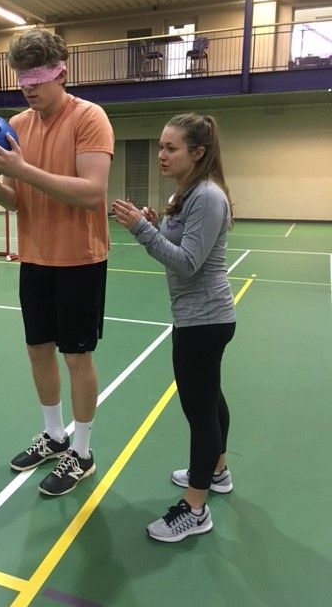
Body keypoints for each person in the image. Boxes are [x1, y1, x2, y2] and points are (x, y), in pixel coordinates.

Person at [0, 29, 114, 496]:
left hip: (80, 259)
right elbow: (16, 201)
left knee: (76, 356)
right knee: (37, 350)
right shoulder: (16, 125)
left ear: (60, 72)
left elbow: (92, 194)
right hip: (35, 257)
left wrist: (20, 169)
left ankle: (82, 452)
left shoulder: (90, 118)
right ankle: (53, 435)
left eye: (37, 77)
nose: (28, 86)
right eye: (21, 77)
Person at [112, 113, 236, 542]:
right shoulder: (187, 193)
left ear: (197, 152)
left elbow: (186, 262)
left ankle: (195, 508)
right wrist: (155, 222)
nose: (161, 154)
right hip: (201, 317)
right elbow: (182, 245)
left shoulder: (206, 196)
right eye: (161, 147)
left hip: (203, 321)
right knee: (210, 399)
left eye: (171, 148)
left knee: (199, 412)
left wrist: (143, 229)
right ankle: (216, 472)